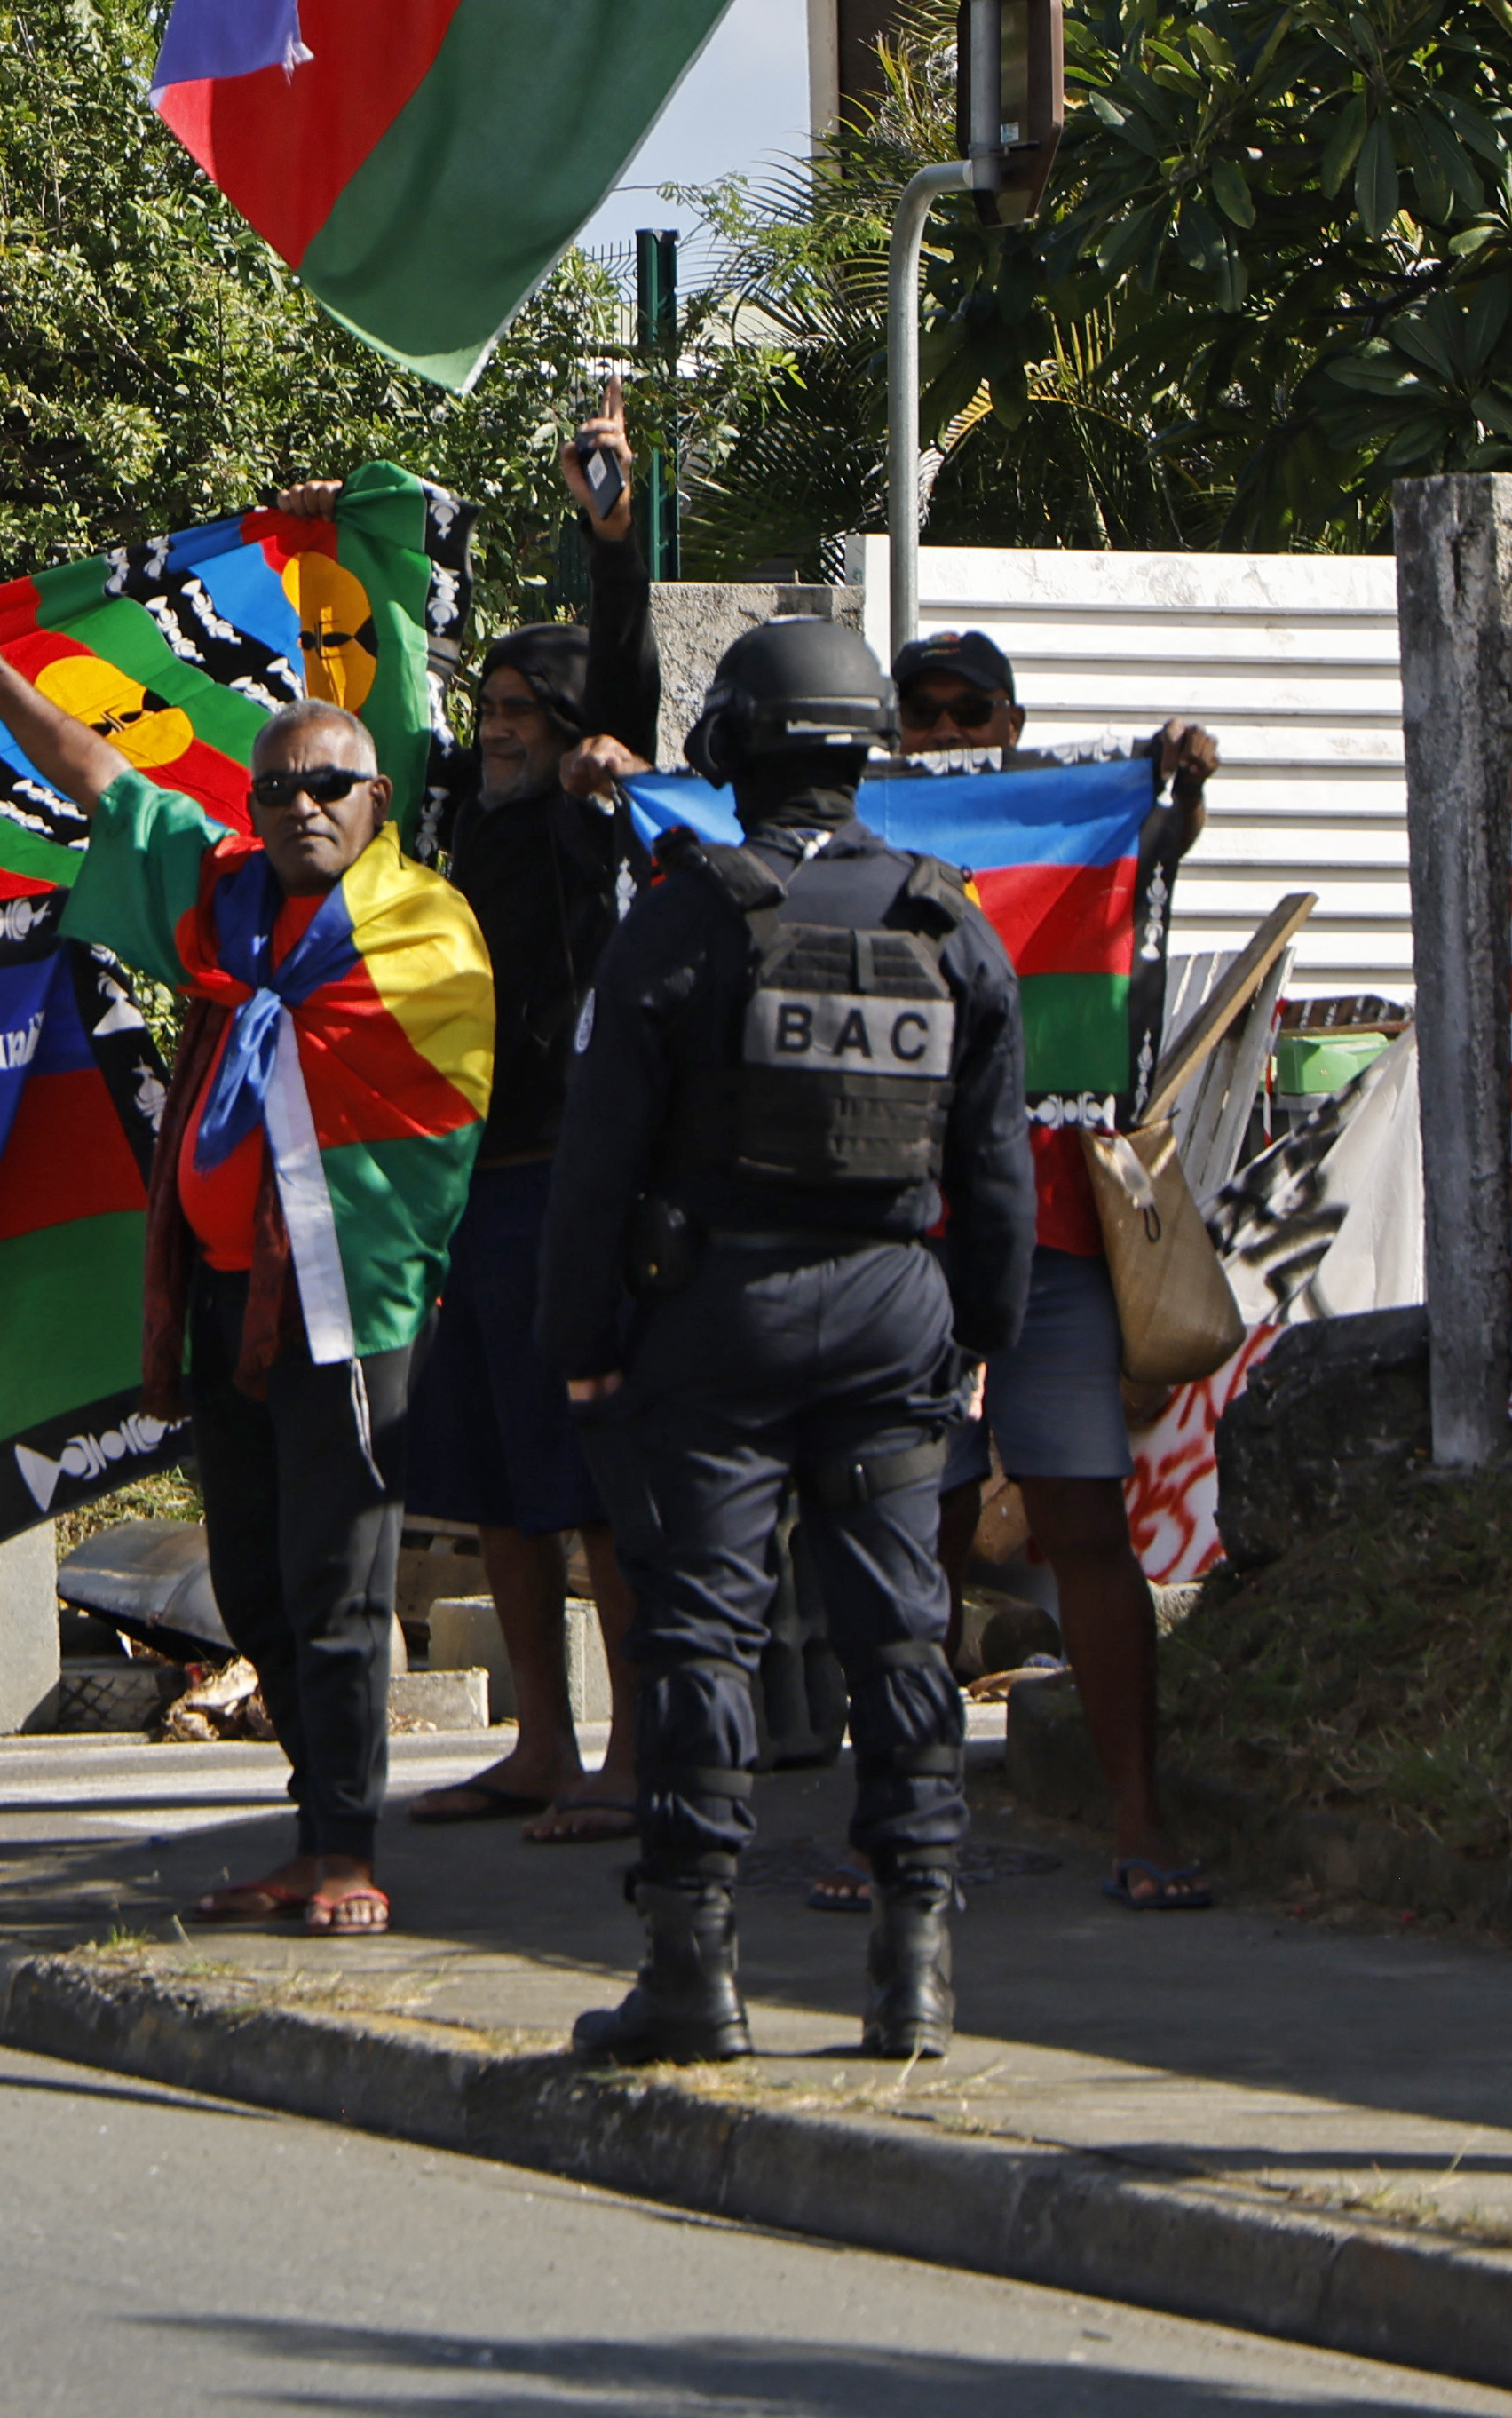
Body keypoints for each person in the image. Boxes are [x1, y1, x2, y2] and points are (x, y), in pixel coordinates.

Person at [0, 567, 489, 1939]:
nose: (300, 805)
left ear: (377, 801)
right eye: (278, 787)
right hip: (226, 1301)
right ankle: (311, 1817)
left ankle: (347, 1846)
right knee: (247, 1577)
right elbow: (107, 781)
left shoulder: (423, 927)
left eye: (329, 785)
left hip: (351, 1308)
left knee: (335, 1582)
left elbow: (444, 1120)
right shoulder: (229, 912)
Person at [546, 619, 1034, 2063]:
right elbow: (994, 1167)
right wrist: (978, 1341)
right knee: (901, 1634)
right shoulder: (946, 921)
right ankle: (912, 1969)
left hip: (717, 1319)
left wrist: (578, 1335)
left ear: (730, 746)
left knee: (697, 1631)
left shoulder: (687, 913)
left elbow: (596, 1155)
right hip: (893, 1317)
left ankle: (691, 1973)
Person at [886, 628, 1227, 1913]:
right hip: (905, 1244)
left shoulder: (1066, 838)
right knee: (911, 1536)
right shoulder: (859, 849)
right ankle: (902, 1828)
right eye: (920, 711)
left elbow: (1156, 852)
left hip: (1057, 1238)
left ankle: (1138, 1814)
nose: (945, 731)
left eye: (967, 710)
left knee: (1086, 1522)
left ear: (1012, 722)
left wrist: (1177, 788)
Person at [401, 393, 663, 1846]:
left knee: (585, 1483)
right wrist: (348, 547)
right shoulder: (454, 818)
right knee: (491, 1479)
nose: (495, 734)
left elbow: (622, 680)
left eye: (520, 718)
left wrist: (606, 535)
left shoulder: (577, 820)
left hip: (567, 1185)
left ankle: (630, 1746)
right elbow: (370, 688)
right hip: (463, 1186)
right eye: (488, 714)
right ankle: (539, 1743)